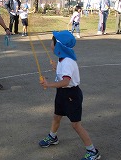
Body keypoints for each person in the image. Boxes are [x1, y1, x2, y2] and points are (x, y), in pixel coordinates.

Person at [38, 30, 101, 160]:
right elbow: (64, 75)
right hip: (62, 93)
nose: (50, 43)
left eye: (52, 41)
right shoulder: (62, 59)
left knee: (76, 125)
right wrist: (57, 67)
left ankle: (92, 151)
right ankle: (52, 136)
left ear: (58, 45)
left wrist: (48, 84)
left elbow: (66, 81)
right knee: (56, 116)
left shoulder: (67, 62)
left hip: (71, 95)